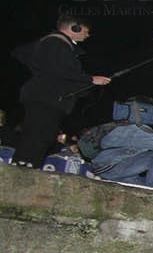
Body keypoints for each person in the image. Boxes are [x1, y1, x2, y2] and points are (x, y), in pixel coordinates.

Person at [11, 15, 111, 166]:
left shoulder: (58, 45)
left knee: (45, 135)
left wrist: (86, 86)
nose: (87, 35)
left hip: (50, 97)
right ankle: (23, 164)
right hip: (45, 97)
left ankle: (29, 166)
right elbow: (58, 71)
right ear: (74, 28)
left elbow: (63, 77)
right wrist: (91, 79)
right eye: (86, 31)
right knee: (38, 134)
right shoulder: (56, 42)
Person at [85, 110, 153, 187]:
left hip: (111, 168)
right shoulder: (135, 130)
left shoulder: (126, 127)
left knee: (142, 186)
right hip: (112, 168)